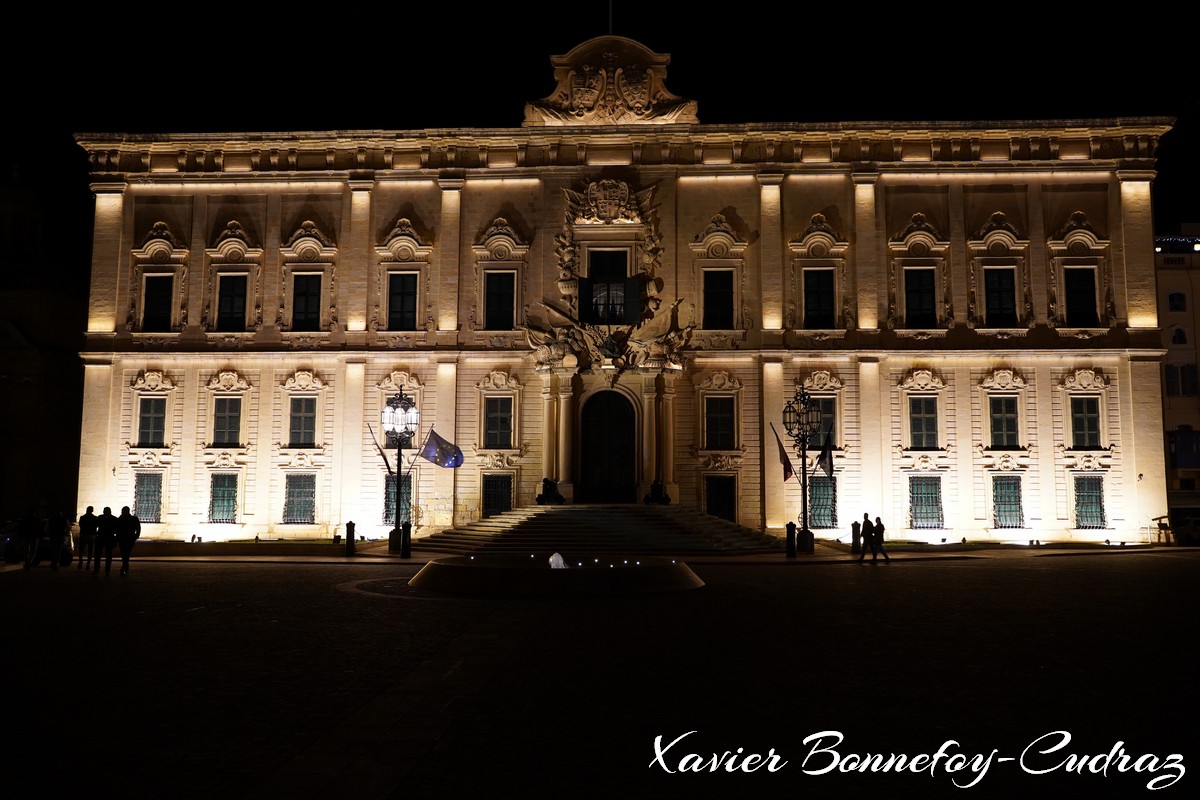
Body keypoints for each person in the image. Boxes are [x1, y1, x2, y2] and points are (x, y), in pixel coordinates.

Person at [116, 506, 141, 576]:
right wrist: (136, 536)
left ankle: (124, 567)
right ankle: (125, 566)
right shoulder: (133, 518)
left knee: (124, 553)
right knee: (126, 553)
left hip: (125, 538)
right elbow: (138, 528)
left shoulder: (121, 519)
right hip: (129, 538)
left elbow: (117, 529)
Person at [94, 507, 118, 575]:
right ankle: (105, 570)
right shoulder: (114, 518)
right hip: (108, 538)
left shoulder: (101, 517)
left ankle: (99, 569)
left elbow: (96, 525)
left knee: (101, 554)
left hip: (104, 537)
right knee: (107, 555)